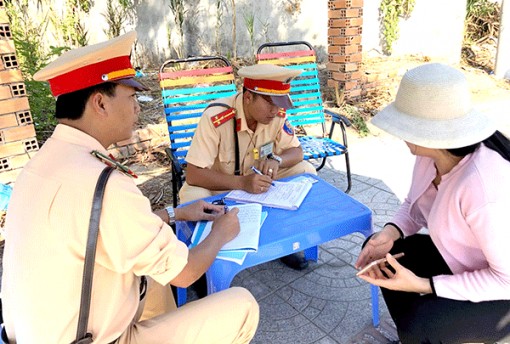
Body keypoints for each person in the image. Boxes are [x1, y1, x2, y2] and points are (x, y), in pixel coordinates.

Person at [1, 31, 259, 344]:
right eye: (132, 97)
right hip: (91, 339)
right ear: (99, 103)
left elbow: (100, 228)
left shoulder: (41, 164)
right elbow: (187, 272)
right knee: (243, 304)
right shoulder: (103, 181)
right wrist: (223, 232)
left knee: (151, 278)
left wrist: (175, 213)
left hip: (39, 332)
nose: (137, 108)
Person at [355, 63, 510, 343]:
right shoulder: (431, 154)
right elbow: (414, 204)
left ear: (431, 132)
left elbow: (505, 280)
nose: (400, 132)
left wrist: (424, 286)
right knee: (386, 256)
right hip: (465, 262)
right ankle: (411, 337)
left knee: (424, 321)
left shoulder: (481, 185)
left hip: (503, 291)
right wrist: (390, 233)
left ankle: (418, 333)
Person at [178, 63, 317, 270]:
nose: (275, 110)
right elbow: (194, 174)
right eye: (270, 102)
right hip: (221, 187)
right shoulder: (216, 118)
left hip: (259, 183)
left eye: (280, 103)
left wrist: (277, 160)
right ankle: (205, 258)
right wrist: (242, 183)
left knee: (305, 170)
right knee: (192, 196)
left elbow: (297, 152)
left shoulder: (277, 116)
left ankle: (284, 240)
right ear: (248, 97)